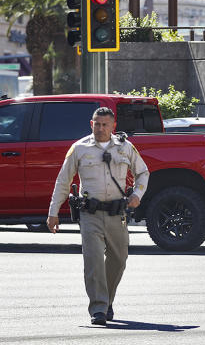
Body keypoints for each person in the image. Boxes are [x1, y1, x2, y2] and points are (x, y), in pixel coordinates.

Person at [47, 107, 150, 326]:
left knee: (119, 259)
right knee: (93, 261)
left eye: (105, 125)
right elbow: (63, 181)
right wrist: (53, 212)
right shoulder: (79, 148)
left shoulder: (125, 147)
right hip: (90, 214)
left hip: (117, 213)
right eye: (97, 124)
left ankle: (107, 300)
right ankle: (98, 308)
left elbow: (143, 172)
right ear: (90, 124)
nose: (100, 128)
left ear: (113, 126)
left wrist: (138, 195)